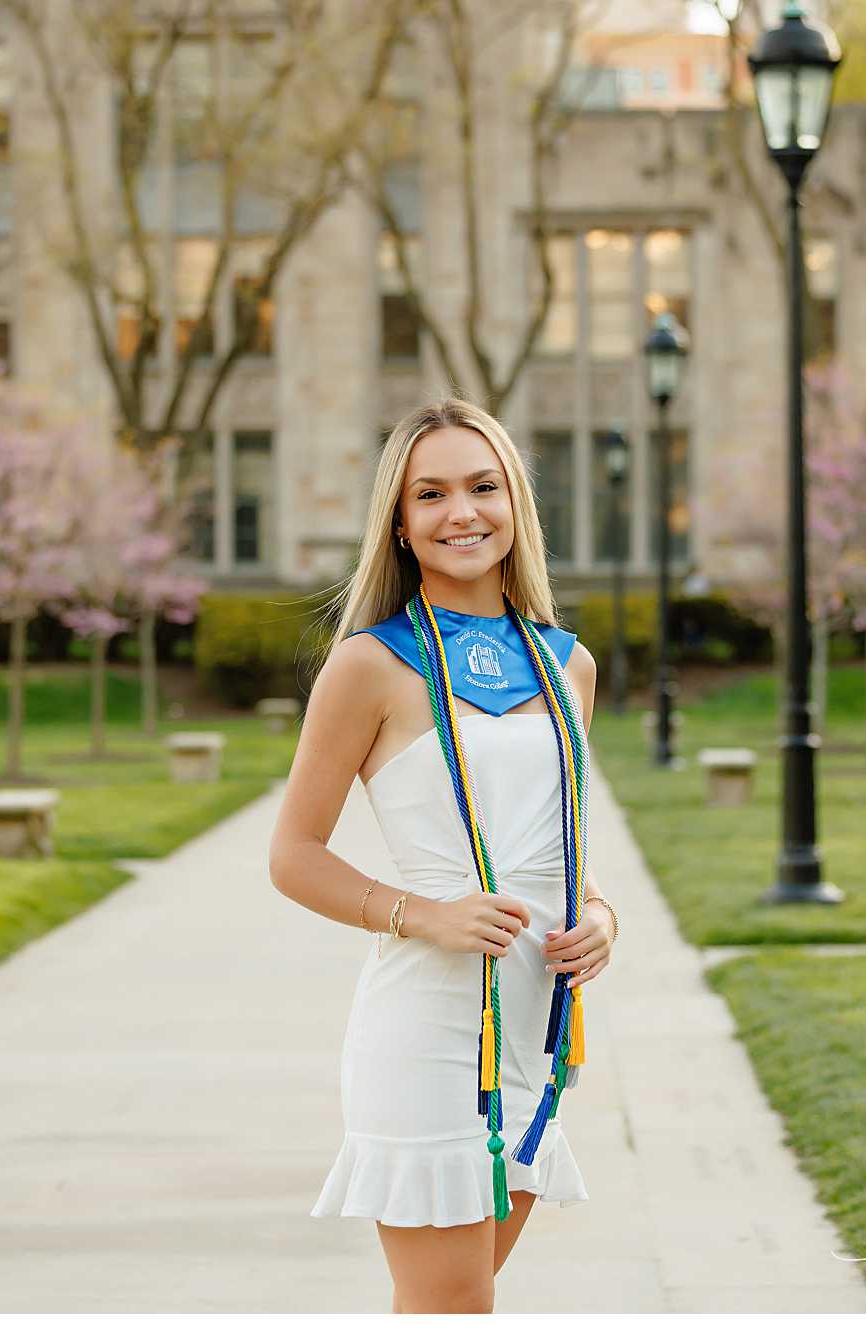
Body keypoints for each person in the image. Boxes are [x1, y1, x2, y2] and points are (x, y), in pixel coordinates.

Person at [270, 395, 619, 1312]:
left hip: (533, 1032)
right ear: (401, 522)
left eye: (482, 486)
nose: (461, 512)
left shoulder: (567, 663)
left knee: (443, 1307)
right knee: (454, 1309)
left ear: (515, 504)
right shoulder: (368, 666)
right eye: (431, 494)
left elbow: (557, 851)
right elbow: (294, 855)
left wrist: (602, 916)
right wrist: (422, 913)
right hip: (426, 1030)